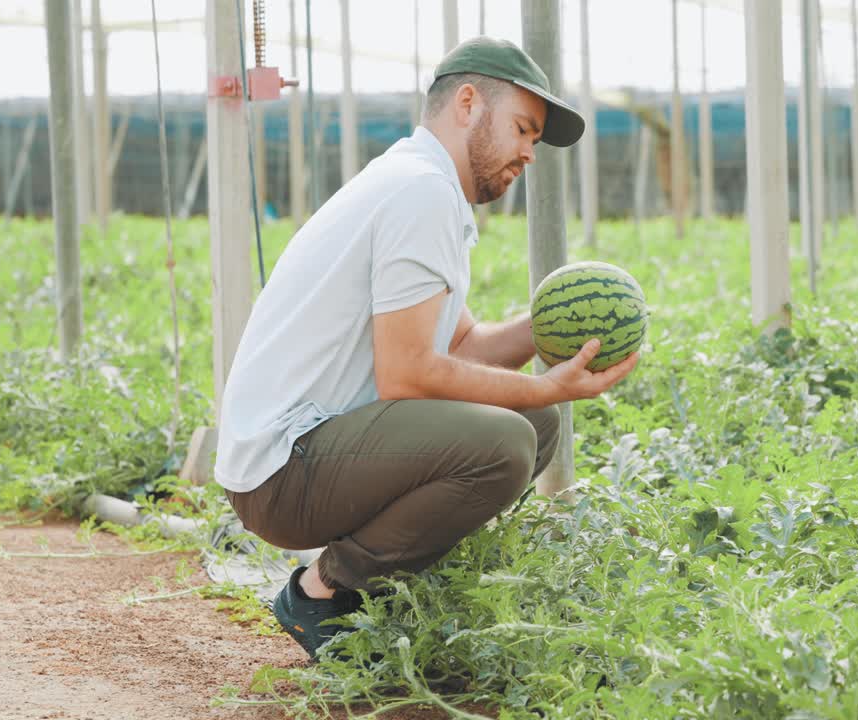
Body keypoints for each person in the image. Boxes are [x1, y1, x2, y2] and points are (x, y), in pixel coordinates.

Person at [213, 36, 639, 661]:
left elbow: (460, 344)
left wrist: (550, 326)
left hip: (311, 454)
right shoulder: (421, 192)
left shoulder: (417, 182)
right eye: (523, 129)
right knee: (507, 442)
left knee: (533, 424)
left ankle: (389, 579)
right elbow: (408, 374)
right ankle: (324, 591)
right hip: (282, 470)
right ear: (468, 103)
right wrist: (547, 383)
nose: (528, 153)